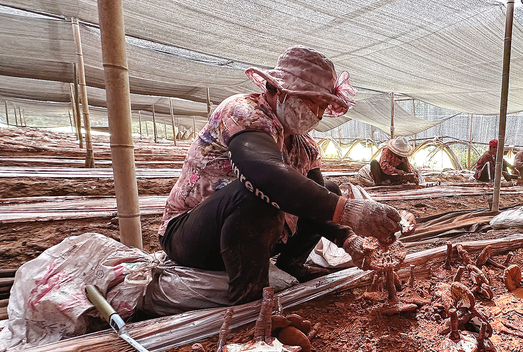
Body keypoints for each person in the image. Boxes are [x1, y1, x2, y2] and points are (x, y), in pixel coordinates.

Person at [158, 46, 405, 304]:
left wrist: (348, 240)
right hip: (192, 237)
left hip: (244, 237)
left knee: (327, 191)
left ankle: (291, 265)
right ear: (282, 90)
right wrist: (348, 210)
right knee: (256, 196)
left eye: (324, 107)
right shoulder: (243, 112)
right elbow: (264, 173)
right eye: (314, 103)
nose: (319, 115)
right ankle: (249, 299)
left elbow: (319, 199)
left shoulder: (304, 145)